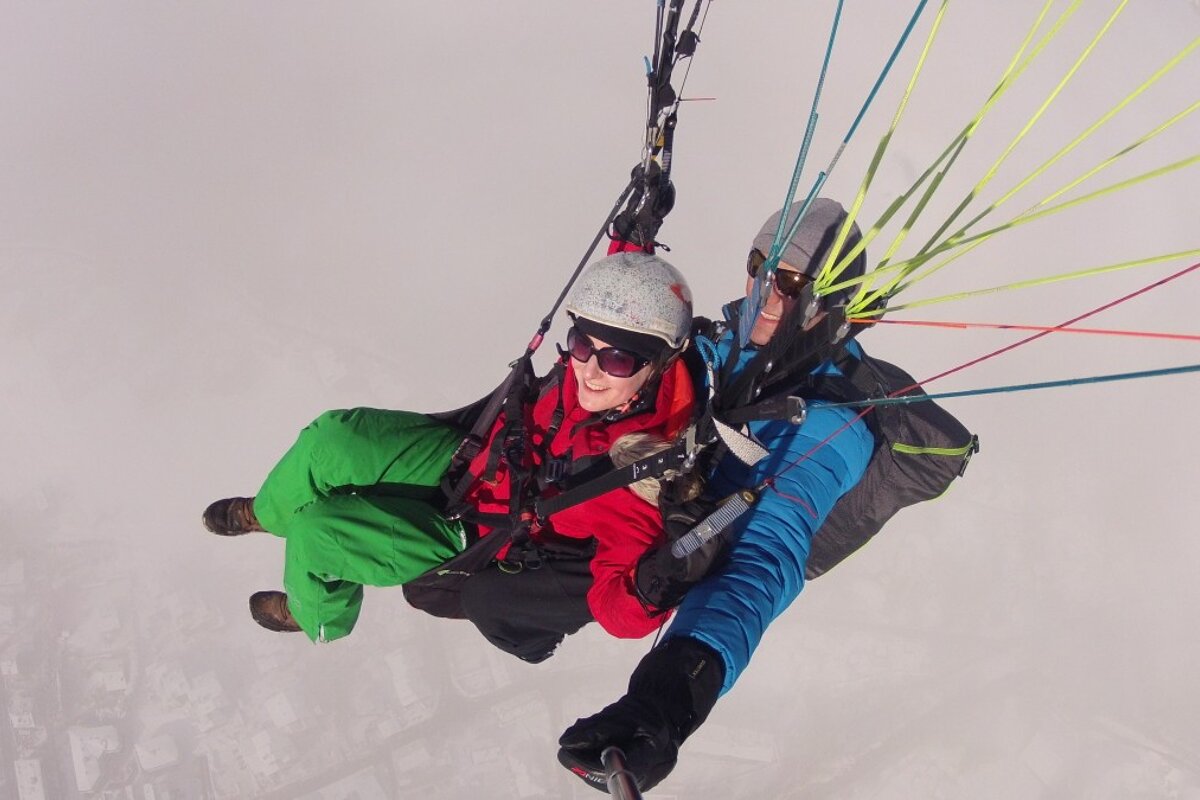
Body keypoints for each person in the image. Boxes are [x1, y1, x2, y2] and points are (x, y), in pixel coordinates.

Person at [201, 251, 696, 645]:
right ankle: (267, 513)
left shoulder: (635, 478)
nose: (587, 369)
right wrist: (642, 210)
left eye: (613, 359)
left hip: (475, 531)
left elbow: (616, 606)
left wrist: (660, 583)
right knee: (332, 440)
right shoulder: (631, 365)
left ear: (659, 360)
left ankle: (315, 614)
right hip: (475, 454)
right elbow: (625, 296)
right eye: (581, 344)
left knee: (316, 534)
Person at [557, 198, 878, 793]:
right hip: (580, 515)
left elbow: (761, 564)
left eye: (793, 282)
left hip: (636, 573)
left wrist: (666, 704)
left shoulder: (832, 425)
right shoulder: (708, 348)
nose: (769, 290)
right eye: (762, 264)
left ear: (831, 301)